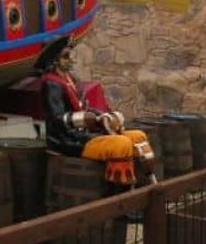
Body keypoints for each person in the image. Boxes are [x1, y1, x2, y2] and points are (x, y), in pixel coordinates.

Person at [37, 36, 156, 185]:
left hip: (84, 135)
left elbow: (82, 108)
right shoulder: (51, 84)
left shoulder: (68, 79)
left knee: (138, 136)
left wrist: (103, 116)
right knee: (121, 144)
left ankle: (147, 183)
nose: (71, 59)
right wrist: (89, 119)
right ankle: (119, 191)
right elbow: (57, 119)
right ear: (54, 60)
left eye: (70, 55)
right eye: (66, 56)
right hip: (68, 140)